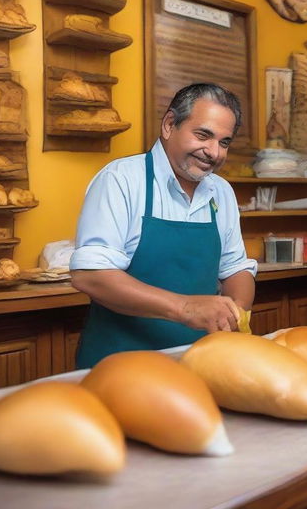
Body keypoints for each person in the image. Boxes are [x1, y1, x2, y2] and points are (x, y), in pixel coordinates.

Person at [70, 83, 256, 368]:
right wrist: (185, 308)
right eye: (203, 135)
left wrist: (236, 314)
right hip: (119, 364)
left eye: (224, 142)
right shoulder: (121, 180)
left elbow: (236, 269)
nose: (214, 152)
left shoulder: (221, 192)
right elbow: (91, 275)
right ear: (170, 124)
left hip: (199, 362)